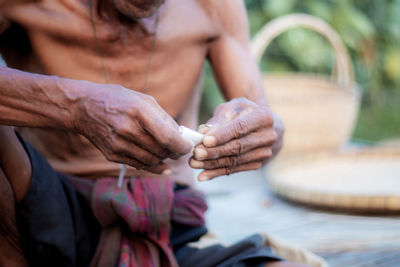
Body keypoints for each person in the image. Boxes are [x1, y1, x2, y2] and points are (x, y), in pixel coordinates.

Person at [0, 0, 312, 266]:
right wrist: (78, 106)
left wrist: (260, 134)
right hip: (44, 203)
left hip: (169, 220)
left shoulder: (213, 6)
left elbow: (264, 121)